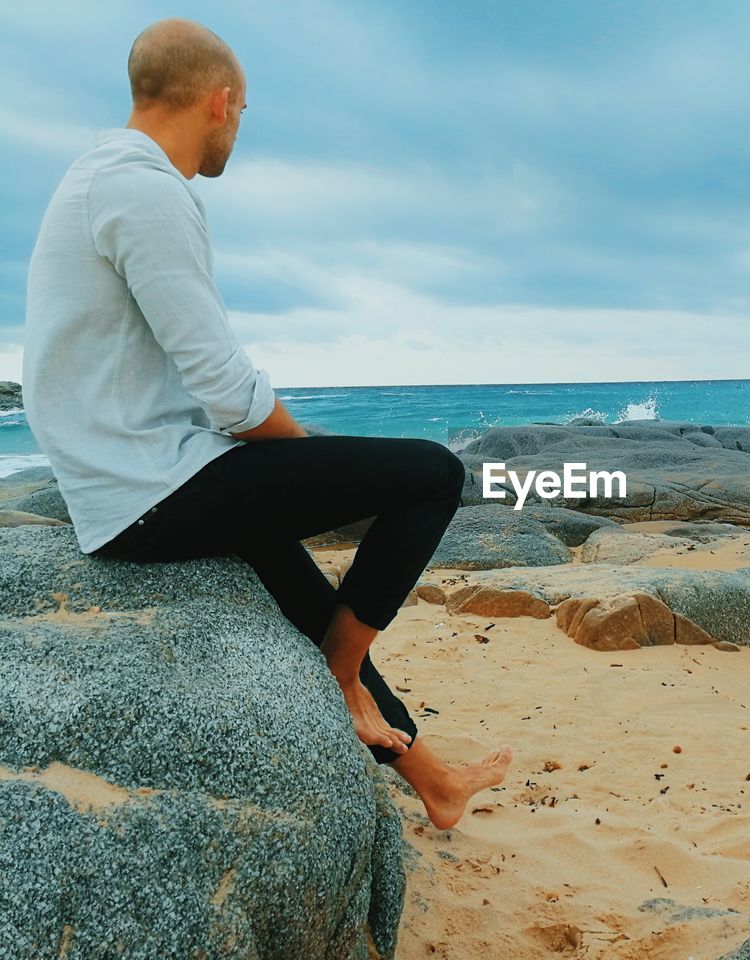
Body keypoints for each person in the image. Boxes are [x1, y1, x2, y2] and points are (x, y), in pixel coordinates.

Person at [21, 17, 511, 830]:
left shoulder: (98, 177)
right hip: (151, 488)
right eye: (244, 110)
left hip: (139, 476)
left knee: (305, 590)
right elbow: (225, 386)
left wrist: (296, 473)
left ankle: (434, 781)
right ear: (220, 102)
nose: (240, 127)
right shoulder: (145, 192)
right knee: (433, 474)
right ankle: (342, 677)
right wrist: (311, 458)